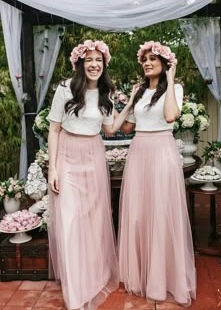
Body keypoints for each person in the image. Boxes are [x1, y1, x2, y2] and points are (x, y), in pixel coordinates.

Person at [47, 40, 136, 310]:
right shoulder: (65, 89)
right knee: (69, 221)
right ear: (80, 64)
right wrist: (53, 168)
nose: (94, 64)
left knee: (94, 222)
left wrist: (130, 102)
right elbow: (53, 130)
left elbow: (110, 130)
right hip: (68, 157)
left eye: (99, 59)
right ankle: (75, 295)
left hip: (94, 157)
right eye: (89, 60)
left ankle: (93, 276)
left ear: (104, 63)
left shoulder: (107, 93)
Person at [118, 41, 196, 308]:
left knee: (162, 212)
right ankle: (142, 273)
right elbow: (127, 128)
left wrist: (172, 79)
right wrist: (128, 102)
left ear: (164, 63)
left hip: (163, 150)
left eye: (153, 58)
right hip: (139, 151)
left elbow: (172, 116)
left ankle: (163, 278)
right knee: (140, 213)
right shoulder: (139, 91)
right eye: (145, 59)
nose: (147, 62)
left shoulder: (174, 88)